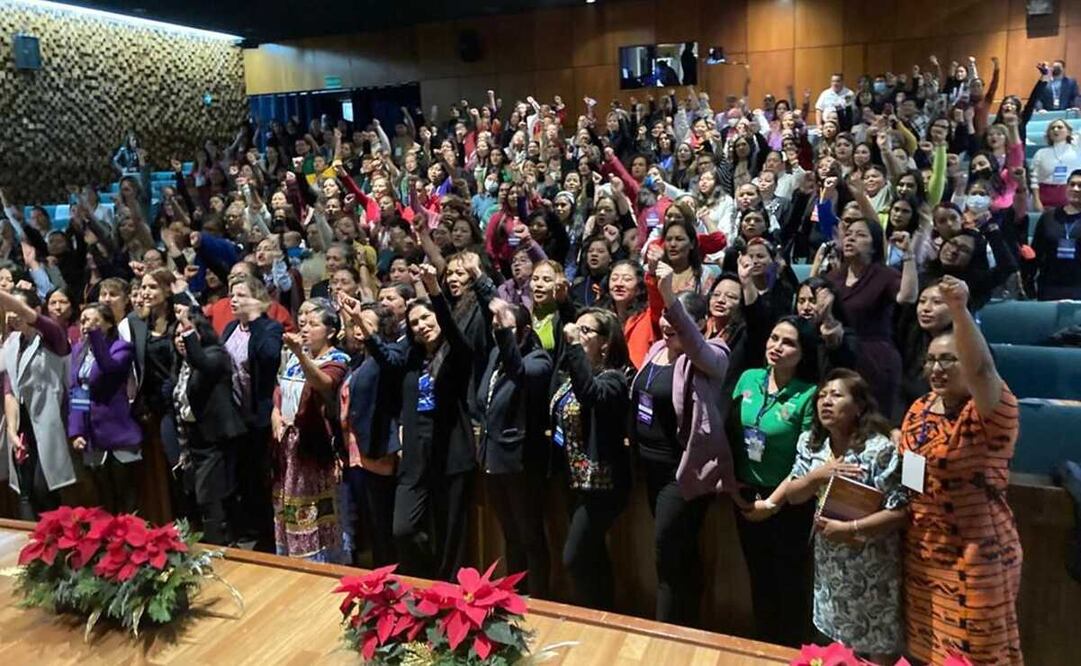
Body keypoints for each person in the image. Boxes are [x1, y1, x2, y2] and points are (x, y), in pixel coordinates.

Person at [898, 275, 1023, 665]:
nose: (936, 368)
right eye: (931, 360)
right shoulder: (919, 408)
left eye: (949, 360)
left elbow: (983, 372)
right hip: (922, 551)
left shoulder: (990, 412)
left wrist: (958, 309)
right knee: (926, 652)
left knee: (975, 655)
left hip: (976, 555)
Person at [633, 261, 734, 625]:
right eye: (665, 316)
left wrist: (669, 295)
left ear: (700, 324)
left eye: (677, 318)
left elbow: (694, 344)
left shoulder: (714, 354)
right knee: (680, 554)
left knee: (666, 554)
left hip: (683, 472)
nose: (668, 324)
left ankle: (665, 636)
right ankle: (691, 626)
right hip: (651, 467)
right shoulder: (657, 350)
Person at [785, 369, 908, 664]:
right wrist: (818, 476)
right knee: (836, 647)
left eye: (836, 395)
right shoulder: (810, 443)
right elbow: (793, 495)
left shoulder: (879, 450)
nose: (826, 402)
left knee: (879, 641)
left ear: (859, 406)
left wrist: (850, 527)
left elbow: (901, 511)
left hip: (873, 564)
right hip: (830, 564)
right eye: (822, 396)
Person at [730, 316, 819, 647]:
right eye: (774, 338)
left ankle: (790, 651)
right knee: (759, 576)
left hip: (788, 500)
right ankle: (763, 647)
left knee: (790, 581)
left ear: (803, 352)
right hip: (745, 494)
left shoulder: (809, 394)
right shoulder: (748, 378)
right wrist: (734, 489)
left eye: (789, 342)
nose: (777, 346)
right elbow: (727, 432)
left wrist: (771, 504)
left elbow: (805, 459)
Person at [387, 265, 478, 580]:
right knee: (403, 529)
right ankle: (423, 583)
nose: (421, 326)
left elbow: (453, 331)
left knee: (451, 533)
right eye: (414, 323)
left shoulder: (457, 354)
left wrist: (434, 291)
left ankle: (450, 593)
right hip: (417, 455)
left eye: (427, 318)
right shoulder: (412, 360)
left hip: (452, 453)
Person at [552, 307, 631, 610]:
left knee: (574, 557)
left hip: (602, 485)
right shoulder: (573, 375)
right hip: (574, 481)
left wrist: (573, 346)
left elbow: (591, 395)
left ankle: (590, 617)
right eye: (577, 328)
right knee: (592, 554)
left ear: (605, 343)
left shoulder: (615, 379)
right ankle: (602, 615)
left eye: (586, 331)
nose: (577, 333)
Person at [475, 298, 553, 597]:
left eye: (505, 329)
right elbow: (483, 400)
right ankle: (516, 596)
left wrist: (505, 332)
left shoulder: (539, 360)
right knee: (511, 534)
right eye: (495, 328)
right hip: (493, 459)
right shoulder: (496, 354)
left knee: (530, 535)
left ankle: (540, 601)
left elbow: (518, 372)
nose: (498, 334)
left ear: (524, 331)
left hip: (522, 462)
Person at [271, 300, 350, 562]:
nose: (305, 329)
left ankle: (319, 562)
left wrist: (300, 354)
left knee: (314, 508)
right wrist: (276, 414)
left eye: (314, 325)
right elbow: (280, 389)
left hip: (315, 445)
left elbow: (322, 383)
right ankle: (290, 558)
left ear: (331, 331)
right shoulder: (294, 358)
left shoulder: (338, 359)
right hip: (288, 444)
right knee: (287, 504)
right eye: (303, 324)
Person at [173, 302, 247, 546]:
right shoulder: (183, 364)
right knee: (204, 494)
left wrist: (186, 324)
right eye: (178, 335)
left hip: (216, 437)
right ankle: (219, 541)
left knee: (210, 494)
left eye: (187, 333)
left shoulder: (215, 355)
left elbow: (202, 363)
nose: (181, 339)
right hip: (195, 437)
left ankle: (221, 546)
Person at [337, 296, 403, 568]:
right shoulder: (357, 359)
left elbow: (387, 362)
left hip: (376, 450)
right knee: (367, 521)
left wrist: (356, 319)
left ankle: (389, 578)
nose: (357, 328)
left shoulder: (389, 354)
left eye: (365, 323)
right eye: (355, 323)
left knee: (381, 523)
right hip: (355, 450)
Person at [221, 275, 283, 550]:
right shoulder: (230, 328)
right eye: (232, 295)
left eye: (241, 295)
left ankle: (268, 537)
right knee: (242, 479)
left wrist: (257, 318)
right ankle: (249, 530)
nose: (233, 300)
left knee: (262, 479)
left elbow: (269, 358)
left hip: (260, 417)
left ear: (258, 299)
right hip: (235, 418)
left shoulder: (269, 328)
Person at [1, 288, 74, 519]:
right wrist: (12, 431)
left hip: (49, 422)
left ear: (37, 310)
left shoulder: (52, 336)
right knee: (25, 491)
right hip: (22, 425)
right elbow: (10, 390)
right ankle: (31, 541)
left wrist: (4, 295)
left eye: (16, 309)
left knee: (44, 488)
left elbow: (28, 314)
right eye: (8, 310)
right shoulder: (12, 343)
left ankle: (56, 538)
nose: (12, 315)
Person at [68, 303, 142, 515]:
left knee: (125, 496)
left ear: (108, 324)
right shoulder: (79, 352)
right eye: (83, 320)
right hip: (93, 436)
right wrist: (77, 431)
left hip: (118, 432)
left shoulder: (121, 348)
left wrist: (95, 337)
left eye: (93, 321)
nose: (86, 325)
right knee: (104, 499)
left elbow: (108, 369)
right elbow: (78, 391)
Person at [1032, 169, 1081, 300]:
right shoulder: (1048, 217)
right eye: (1072, 184)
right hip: (1050, 286)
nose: (1075, 189)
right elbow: (1036, 252)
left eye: (1080, 186)